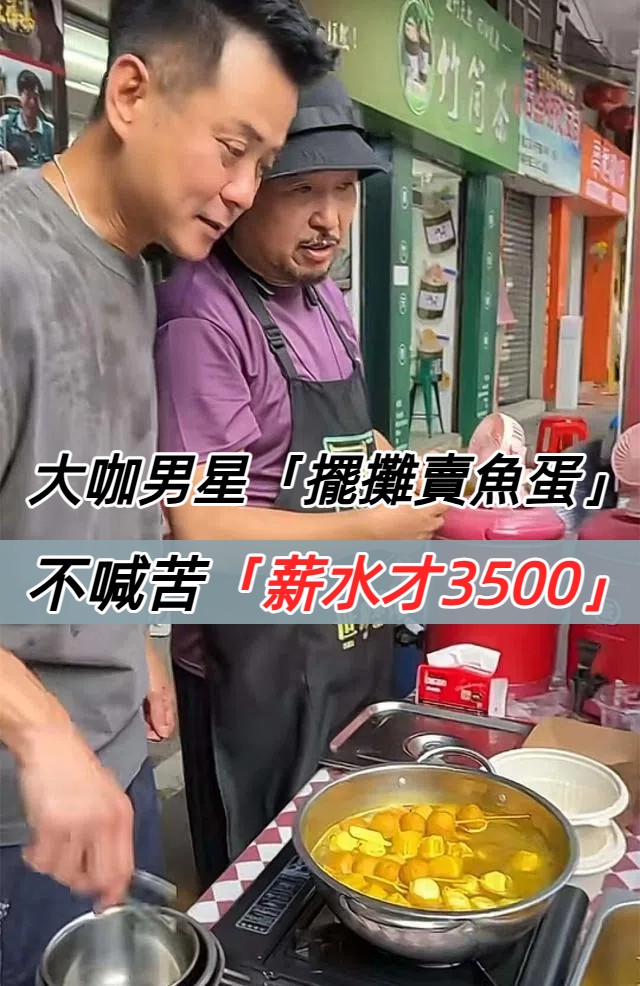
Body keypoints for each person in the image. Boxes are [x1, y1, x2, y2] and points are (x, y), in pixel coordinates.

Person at [0, 0, 334, 980]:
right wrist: (42, 732)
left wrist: (137, 637)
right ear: (132, 93)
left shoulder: (137, 271)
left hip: (111, 769)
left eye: (263, 163)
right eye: (232, 148)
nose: (243, 191)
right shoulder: (12, 266)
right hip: (24, 807)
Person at [155, 74, 450, 890]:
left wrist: (425, 479)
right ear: (246, 190)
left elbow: (354, 442)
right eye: (302, 191)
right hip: (254, 665)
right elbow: (203, 525)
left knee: (356, 850)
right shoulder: (201, 315)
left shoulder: (325, 299)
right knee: (260, 886)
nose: (331, 218)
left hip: (344, 632)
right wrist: (375, 530)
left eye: (345, 190)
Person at [0, 69, 55, 168]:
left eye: (36, 97)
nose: (32, 102)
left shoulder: (50, 131)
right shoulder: (5, 124)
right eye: (28, 96)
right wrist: (3, 153)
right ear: (20, 96)